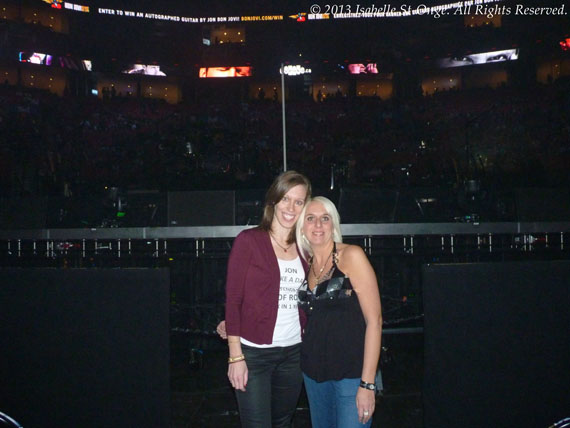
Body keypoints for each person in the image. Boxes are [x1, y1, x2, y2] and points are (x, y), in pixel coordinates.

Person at [224, 170, 312, 427]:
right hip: (254, 355)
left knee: (282, 421)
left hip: (294, 353)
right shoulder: (249, 241)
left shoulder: (306, 247)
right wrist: (235, 356)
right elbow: (233, 299)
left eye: (299, 202)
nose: (291, 207)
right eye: (286, 199)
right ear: (273, 201)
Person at [295, 196, 382, 427]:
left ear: (333, 224)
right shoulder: (306, 263)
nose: (318, 225)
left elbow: (375, 322)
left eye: (325, 218)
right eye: (311, 219)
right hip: (313, 375)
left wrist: (367, 384)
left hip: (352, 376)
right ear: (302, 226)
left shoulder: (351, 256)